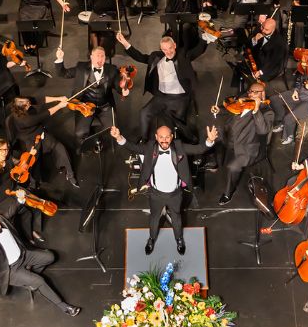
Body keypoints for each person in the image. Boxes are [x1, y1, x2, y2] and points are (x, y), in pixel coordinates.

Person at [111, 124, 219, 255]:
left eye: (167, 137)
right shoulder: (150, 148)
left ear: (172, 137)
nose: (164, 140)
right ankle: (151, 239)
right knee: (154, 217)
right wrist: (119, 137)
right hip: (156, 194)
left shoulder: (180, 147)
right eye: (161, 137)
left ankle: (179, 239)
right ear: (156, 137)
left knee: (177, 217)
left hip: (175, 194)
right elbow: (132, 147)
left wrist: (210, 140)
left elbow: (200, 149)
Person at [0, 207, 80, 316]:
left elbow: (12, 207)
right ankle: (64, 307)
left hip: (23, 255)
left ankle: (29, 277)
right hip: (11, 269)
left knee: (50, 257)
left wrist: (20, 198)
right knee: (39, 281)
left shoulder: (1, 219)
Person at [115, 32, 207, 142]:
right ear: (161, 49)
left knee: (176, 121)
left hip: (180, 97)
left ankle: (190, 140)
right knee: (144, 113)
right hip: (161, 96)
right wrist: (125, 43)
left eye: (170, 48)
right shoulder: (156, 56)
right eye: (164, 49)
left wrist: (205, 39)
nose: (168, 52)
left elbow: (198, 51)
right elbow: (140, 57)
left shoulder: (183, 55)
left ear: (175, 46)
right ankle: (144, 140)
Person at [55, 45, 127, 148]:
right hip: (85, 106)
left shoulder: (112, 69)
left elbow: (118, 87)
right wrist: (59, 58)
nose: (100, 59)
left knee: (113, 130)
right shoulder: (81, 67)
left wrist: (124, 90)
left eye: (102, 56)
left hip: (105, 106)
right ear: (91, 57)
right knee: (80, 133)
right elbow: (63, 73)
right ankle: (81, 148)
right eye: (97, 56)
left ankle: (102, 143)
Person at [213, 82, 274, 205]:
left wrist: (256, 110)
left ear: (262, 94)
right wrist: (219, 109)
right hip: (229, 138)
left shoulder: (267, 111)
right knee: (213, 141)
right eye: (250, 91)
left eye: (254, 92)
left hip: (247, 148)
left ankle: (228, 192)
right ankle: (215, 163)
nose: (250, 94)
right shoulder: (245, 101)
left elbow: (263, 130)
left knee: (232, 167)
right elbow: (233, 108)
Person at [5, 95, 76, 187]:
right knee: (33, 161)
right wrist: (60, 106)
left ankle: (70, 174)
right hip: (30, 139)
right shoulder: (25, 120)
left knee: (59, 147)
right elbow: (46, 114)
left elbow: (40, 99)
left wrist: (59, 98)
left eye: (28, 102)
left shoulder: (21, 102)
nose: (29, 104)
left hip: (40, 132)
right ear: (22, 108)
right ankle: (33, 183)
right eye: (27, 104)